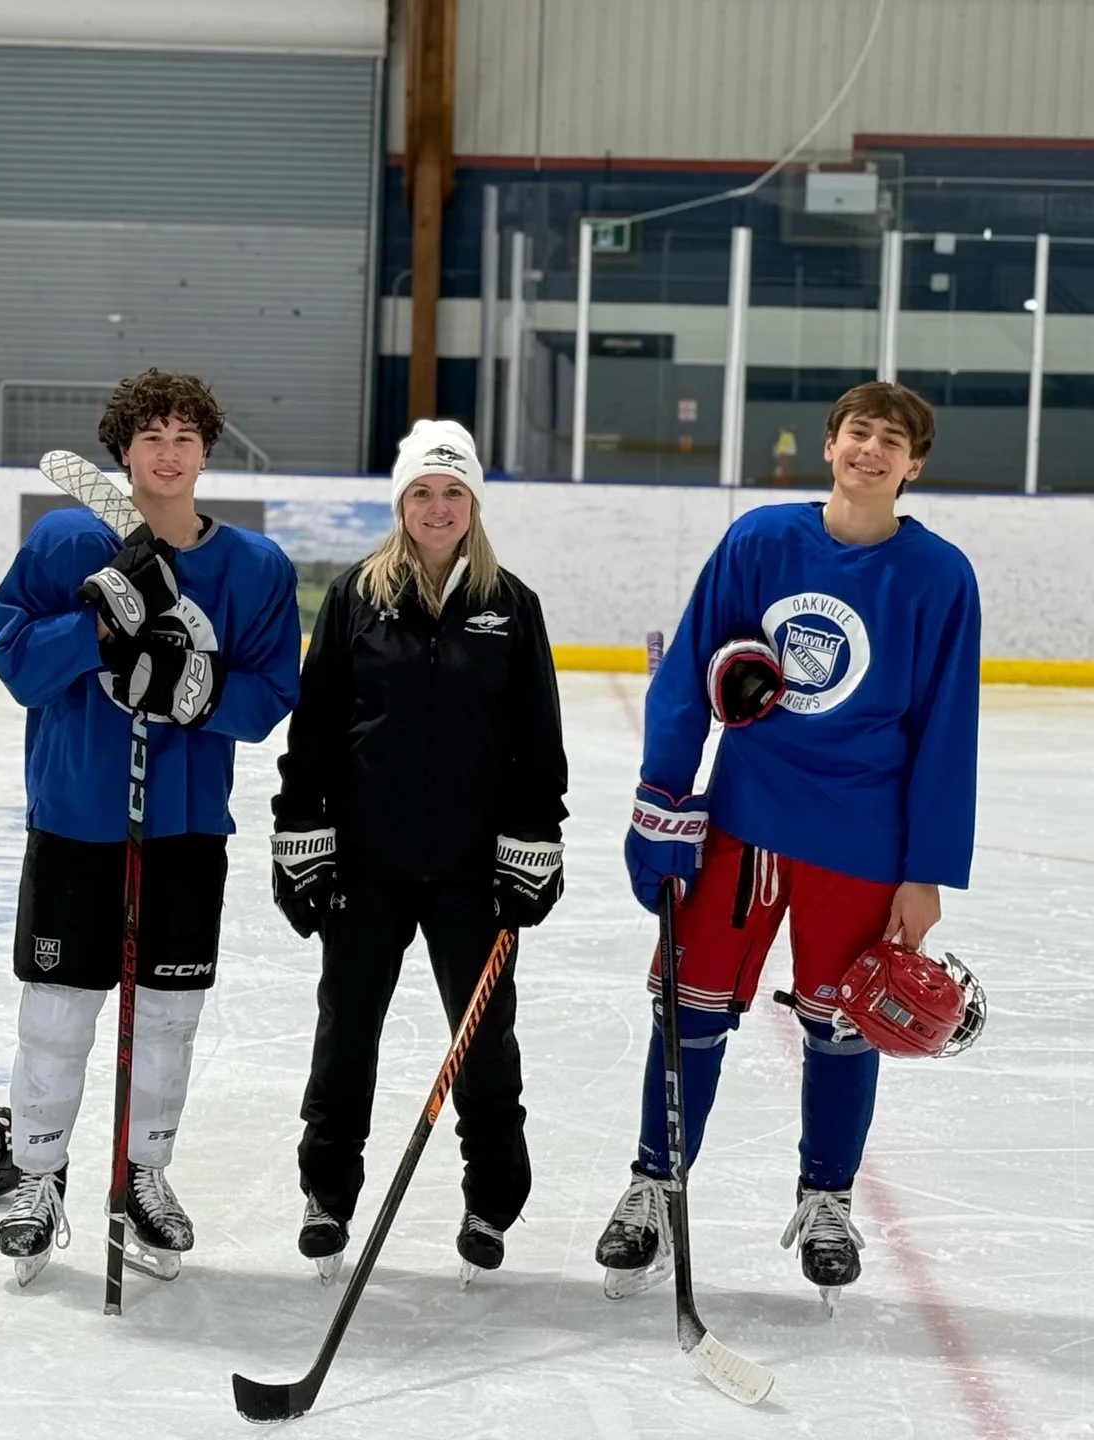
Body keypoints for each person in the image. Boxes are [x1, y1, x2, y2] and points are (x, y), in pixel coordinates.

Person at [593, 381, 980, 1305]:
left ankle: (827, 1201)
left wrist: (926, 871)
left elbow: (946, 729)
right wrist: (661, 798)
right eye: (859, 434)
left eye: (893, 441)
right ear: (830, 445)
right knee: (689, 1014)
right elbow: (691, 666)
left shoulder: (939, 576)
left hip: (862, 842)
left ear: (914, 465)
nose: (871, 452)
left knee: (846, 1027)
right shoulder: (761, 540)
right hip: (745, 820)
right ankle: (654, 1182)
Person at [0, 369, 300, 1284]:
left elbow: (272, 692)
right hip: (78, 816)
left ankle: (144, 1175)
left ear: (208, 450)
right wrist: (97, 627)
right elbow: (16, 663)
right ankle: (38, 1178)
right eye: (150, 436)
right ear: (123, 451)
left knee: (165, 1019)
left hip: (185, 828)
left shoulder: (255, 568)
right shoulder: (66, 541)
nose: (168, 452)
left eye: (185, 436)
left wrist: (189, 687)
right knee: (56, 1015)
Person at [272, 419, 568, 1285]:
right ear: (400, 503)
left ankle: (490, 1201)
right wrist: (301, 836)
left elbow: (537, 743)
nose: (438, 508)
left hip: (475, 872)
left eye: (453, 492)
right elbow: (316, 729)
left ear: (474, 502)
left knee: (484, 1040)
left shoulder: (512, 606)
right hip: (367, 863)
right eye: (422, 493)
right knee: (346, 1031)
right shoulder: (357, 598)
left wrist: (534, 841)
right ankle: (328, 1194)